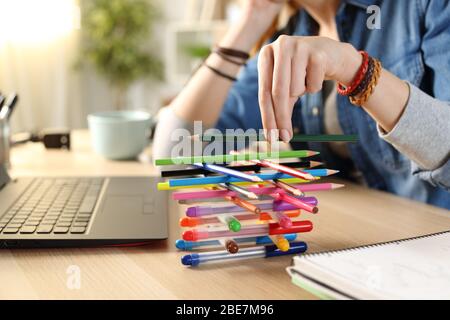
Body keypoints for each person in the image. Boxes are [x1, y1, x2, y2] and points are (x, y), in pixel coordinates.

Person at [153, 0, 450, 209]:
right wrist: (249, 21)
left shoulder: (419, 6)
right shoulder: (288, 40)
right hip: (366, 249)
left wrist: (353, 68)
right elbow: (176, 155)